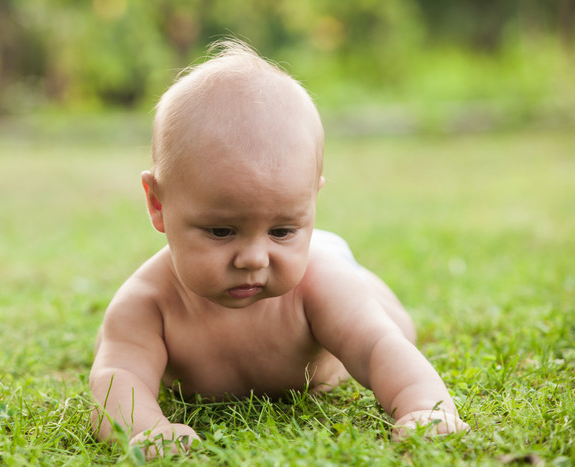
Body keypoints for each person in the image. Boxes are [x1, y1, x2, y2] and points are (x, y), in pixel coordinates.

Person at [90, 40, 470, 458]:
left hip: (334, 272)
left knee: (389, 323)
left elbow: (379, 346)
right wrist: (146, 429)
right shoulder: (147, 303)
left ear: (311, 202)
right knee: (114, 340)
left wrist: (424, 409)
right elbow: (118, 376)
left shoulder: (317, 285)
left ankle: (331, 255)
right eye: (221, 231)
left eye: (283, 229)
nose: (253, 258)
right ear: (158, 204)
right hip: (305, 263)